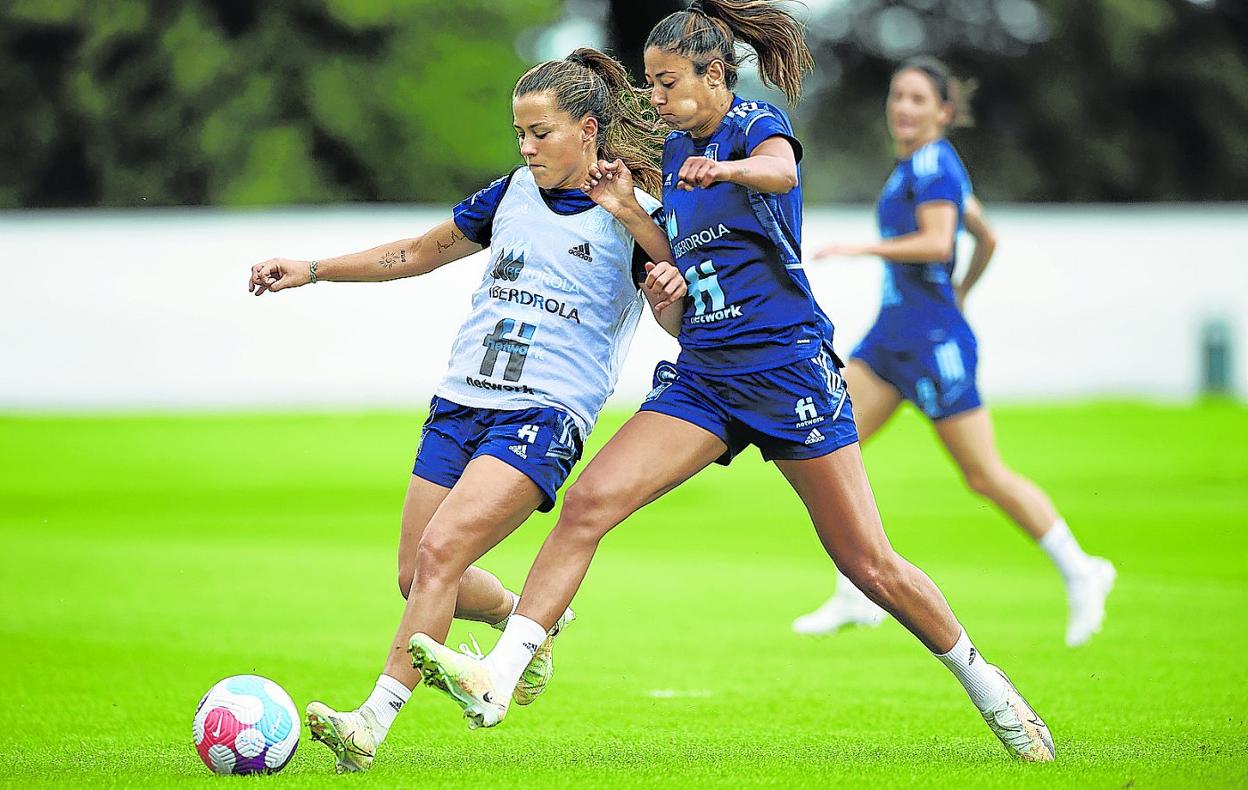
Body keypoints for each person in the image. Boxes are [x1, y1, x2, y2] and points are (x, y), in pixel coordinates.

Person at [409, 0, 1054, 762]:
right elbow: (677, 257)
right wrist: (637, 226)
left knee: (867, 564)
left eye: (668, 81)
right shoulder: (680, 156)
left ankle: (989, 688)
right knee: (586, 505)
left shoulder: (752, 126)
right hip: (705, 377)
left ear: (714, 75)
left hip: (787, 371)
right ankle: (501, 672)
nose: (656, 97)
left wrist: (726, 166)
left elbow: (781, 173)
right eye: (649, 83)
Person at [246, 48, 685, 773]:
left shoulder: (634, 214)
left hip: (544, 413)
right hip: (461, 400)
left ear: (587, 129)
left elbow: (675, 318)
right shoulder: (511, 193)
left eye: (540, 133)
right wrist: (313, 270)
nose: (526, 146)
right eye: (519, 132)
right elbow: (418, 252)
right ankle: (529, 623)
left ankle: (370, 723)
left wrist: (653, 256)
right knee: (415, 577)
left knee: (441, 552)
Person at [795, 57, 1115, 647]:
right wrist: (962, 288)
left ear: (943, 112)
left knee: (984, 475)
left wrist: (865, 250)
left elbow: (941, 241)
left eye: (918, 99)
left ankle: (1083, 570)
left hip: (933, 343)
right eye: (897, 96)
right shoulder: (919, 166)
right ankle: (856, 593)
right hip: (894, 338)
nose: (903, 107)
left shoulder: (936, 163)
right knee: (837, 449)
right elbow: (984, 236)